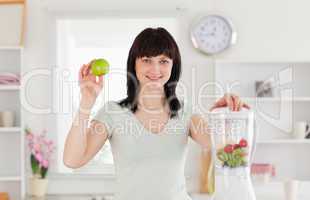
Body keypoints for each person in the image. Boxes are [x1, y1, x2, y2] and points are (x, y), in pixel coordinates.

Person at [63, 27, 249, 200]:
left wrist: (223, 114)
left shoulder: (185, 113)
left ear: (172, 66)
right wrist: (87, 101)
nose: (155, 69)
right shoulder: (113, 113)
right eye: (146, 60)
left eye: (163, 61)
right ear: (133, 64)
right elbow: (73, 160)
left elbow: (223, 148)